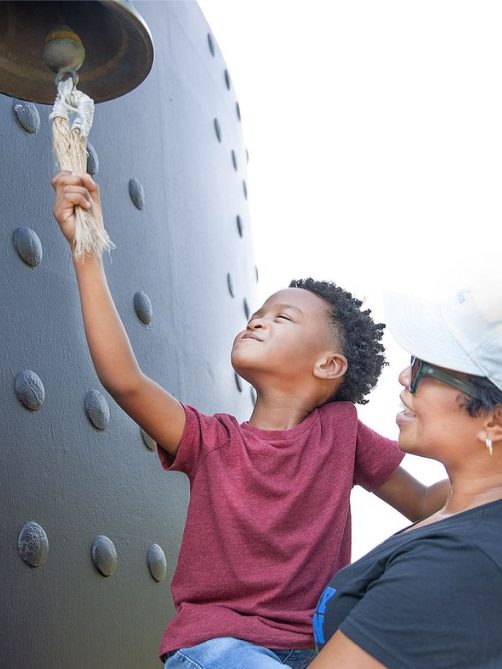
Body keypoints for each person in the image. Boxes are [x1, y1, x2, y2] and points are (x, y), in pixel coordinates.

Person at [52, 171, 449, 669]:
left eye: (282, 318)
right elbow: (125, 380)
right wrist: (85, 252)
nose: (258, 319)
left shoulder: (341, 433)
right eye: (258, 312)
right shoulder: (210, 440)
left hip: (316, 651)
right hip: (217, 648)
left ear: (328, 365)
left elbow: (428, 503)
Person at [310, 278, 502, 669]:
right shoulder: (461, 513)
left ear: (495, 421)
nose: (403, 378)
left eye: (423, 368)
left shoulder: (461, 561)